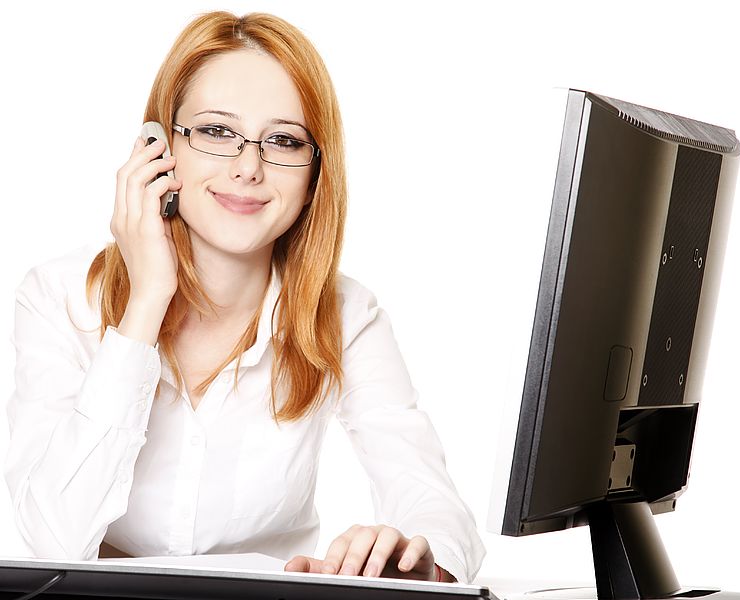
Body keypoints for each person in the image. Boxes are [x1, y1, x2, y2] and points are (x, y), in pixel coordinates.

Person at [3, 11, 485, 584]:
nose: (249, 167)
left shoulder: (347, 315)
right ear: (158, 148)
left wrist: (411, 556)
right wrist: (146, 300)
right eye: (215, 132)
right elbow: (54, 538)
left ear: (314, 176)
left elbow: (434, 501)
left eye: (283, 141)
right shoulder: (59, 297)